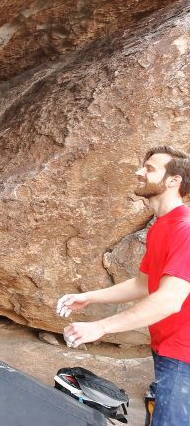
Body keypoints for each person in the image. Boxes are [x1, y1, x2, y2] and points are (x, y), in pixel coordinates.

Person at [56, 146, 190, 425]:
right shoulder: (161, 226)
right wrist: (89, 297)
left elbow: (169, 299)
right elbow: (143, 284)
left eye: (150, 169)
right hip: (168, 346)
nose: (138, 172)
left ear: (173, 181)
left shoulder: (185, 229)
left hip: (183, 354)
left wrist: (100, 327)